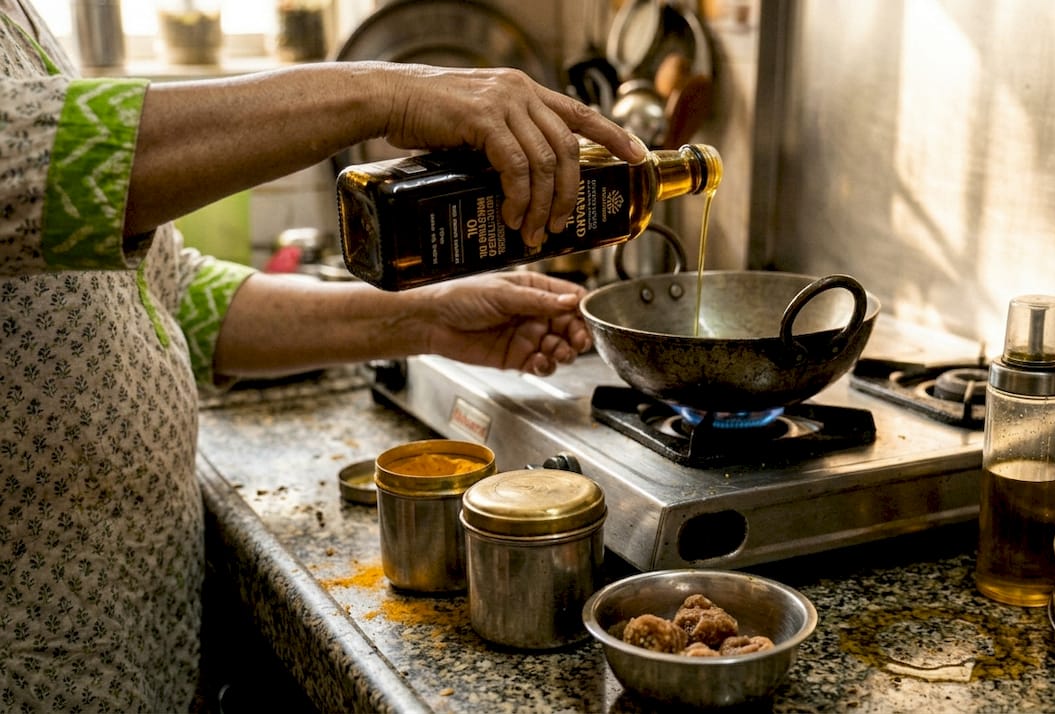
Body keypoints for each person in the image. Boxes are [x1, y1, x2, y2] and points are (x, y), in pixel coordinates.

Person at [0, 1, 647, 711]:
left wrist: (425, 318)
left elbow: (167, 296)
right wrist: (385, 92)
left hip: (131, 647)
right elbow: (25, 163)